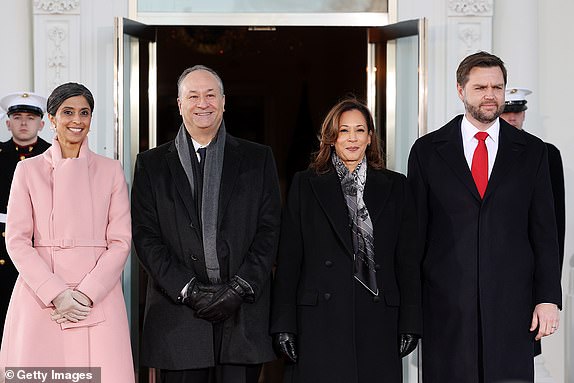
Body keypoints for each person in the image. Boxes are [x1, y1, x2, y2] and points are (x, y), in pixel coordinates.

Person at [407, 51, 562, 382]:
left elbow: (545, 232)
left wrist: (547, 298)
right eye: (480, 88)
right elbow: (415, 235)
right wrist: (412, 311)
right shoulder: (426, 151)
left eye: (497, 87)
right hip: (445, 308)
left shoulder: (533, 152)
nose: (490, 95)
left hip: (512, 308)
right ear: (461, 91)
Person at [131, 65, 281, 383]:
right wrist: (188, 289)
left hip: (243, 315)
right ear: (179, 103)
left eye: (211, 95)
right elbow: (145, 237)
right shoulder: (151, 164)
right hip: (178, 316)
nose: (203, 103)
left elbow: (270, 229)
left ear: (224, 102)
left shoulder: (258, 159)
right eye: (194, 95)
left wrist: (240, 287)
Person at [270, 98, 422, 382]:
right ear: (330, 138)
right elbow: (289, 259)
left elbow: (408, 260)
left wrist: (411, 321)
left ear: (370, 137)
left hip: (378, 319)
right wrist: (283, 324)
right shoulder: (305, 184)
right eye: (343, 131)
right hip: (318, 322)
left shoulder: (396, 185)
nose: (352, 138)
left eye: (360, 130)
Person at [0, 83, 134, 382]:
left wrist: (86, 294)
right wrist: (57, 293)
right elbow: (18, 240)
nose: (77, 120)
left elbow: (121, 241)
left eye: (84, 113)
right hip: (42, 296)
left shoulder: (111, 170)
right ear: (52, 118)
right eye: (68, 112)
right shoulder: (28, 171)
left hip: (97, 297)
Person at [0, 91, 51, 344]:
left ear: (42, 123)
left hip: (39, 244)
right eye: (17, 117)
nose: (23, 123)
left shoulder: (53, 156)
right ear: (7, 122)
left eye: (30, 118)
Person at [500, 87, 565, 272]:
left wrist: (553, 276)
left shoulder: (546, 153)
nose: (512, 118)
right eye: (506, 111)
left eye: (518, 112)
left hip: (531, 258)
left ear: (524, 115)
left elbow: (555, 218)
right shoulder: (485, 151)